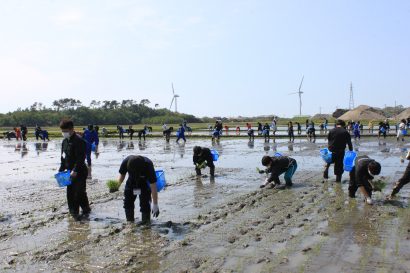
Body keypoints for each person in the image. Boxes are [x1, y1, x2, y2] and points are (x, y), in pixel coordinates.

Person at [58, 119, 91, 218]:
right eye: (63, 131)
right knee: (70, 193)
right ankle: (74, 212)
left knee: (79, 192)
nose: (64, 133)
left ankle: (85, 209)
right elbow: (63, 157)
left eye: (66, 131)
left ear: (72, 129)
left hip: (80, 171)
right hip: (68, 172)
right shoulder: (64, 142)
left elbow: (81, 158)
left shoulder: (79, 141)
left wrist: (75, 170)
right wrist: (61, 170)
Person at [117, 155, 159, 225]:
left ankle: (146, 224)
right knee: (127, 203)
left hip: (144, 185)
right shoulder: (126, 161)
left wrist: (155, 204)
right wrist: (116, 187)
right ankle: (130, 223)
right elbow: (122, 176)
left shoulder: (148, 165)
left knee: (145, 205)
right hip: (131, 184)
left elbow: (153, 186)